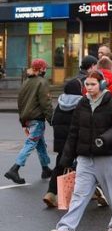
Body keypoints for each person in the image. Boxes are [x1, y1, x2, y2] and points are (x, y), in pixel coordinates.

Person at [49, 71, 112, 231]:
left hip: (108, 157)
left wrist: (106, 138)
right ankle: (66, 229)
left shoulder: (111, 103)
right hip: (85, 158)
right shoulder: (82, 104)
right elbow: (74, 131)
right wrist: (66, 159)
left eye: (93, 84)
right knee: (79, 195)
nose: (89, 88)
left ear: (101, 84)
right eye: (87, 84)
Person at [43, 56, 98, 207]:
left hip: (61, 143)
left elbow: (54, 121)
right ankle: (91, 193)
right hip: (76, 142)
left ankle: (51, 192)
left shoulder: (60, 103)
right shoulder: (81, 103)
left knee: (60, 165)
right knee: (85, 167)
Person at [5, 59, 52, 185]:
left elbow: (20, 103)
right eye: (45, 68)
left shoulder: (26, 82)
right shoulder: (42, 82)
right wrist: (51, 119)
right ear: (41, 69)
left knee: (40, 144)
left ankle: (45, 168)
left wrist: (23, 122)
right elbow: (46, 103)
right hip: (37, 118)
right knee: (31, 143)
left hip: (28, 118)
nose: (46, 69)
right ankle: (14, 169)